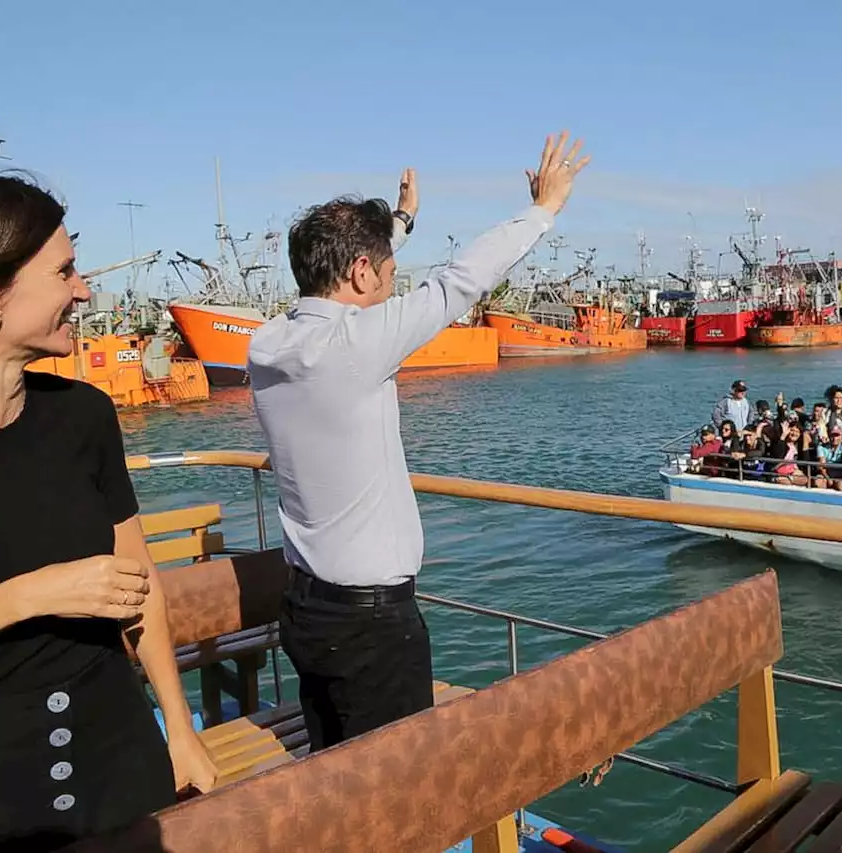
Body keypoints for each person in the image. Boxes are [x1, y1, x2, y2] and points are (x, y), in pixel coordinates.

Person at [0, 171, 216, 852]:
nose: (85, 290)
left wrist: (179, 730)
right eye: (65, 271)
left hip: (123, 759)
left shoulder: (84, 416)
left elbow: (138, 583)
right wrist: (28, 595)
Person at [248, 132, 590, 751]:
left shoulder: (268, 345)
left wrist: (398, 224)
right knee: (394, 790)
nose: (394, 282)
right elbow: (460, 281)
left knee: (334, 775)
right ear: (360, 272)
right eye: (387, 271)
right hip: (370, 624)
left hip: (305, 610)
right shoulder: (355, 348)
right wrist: (543, 211)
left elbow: (343, 286)